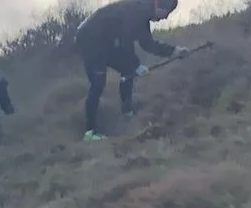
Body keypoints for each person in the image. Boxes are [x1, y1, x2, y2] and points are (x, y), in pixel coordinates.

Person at [76, 0, 180, 140]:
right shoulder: (137, 11)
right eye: (166, 13)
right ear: (159, 5)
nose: (165, 18)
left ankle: (127, 113)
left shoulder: (143, 14)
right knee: (98, 83)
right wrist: (136, 64)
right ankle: (89, 132)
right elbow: (124, 42)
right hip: (90, 38)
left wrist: (175, 51)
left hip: (105, 40)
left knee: (127, 69)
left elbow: (148, 44)